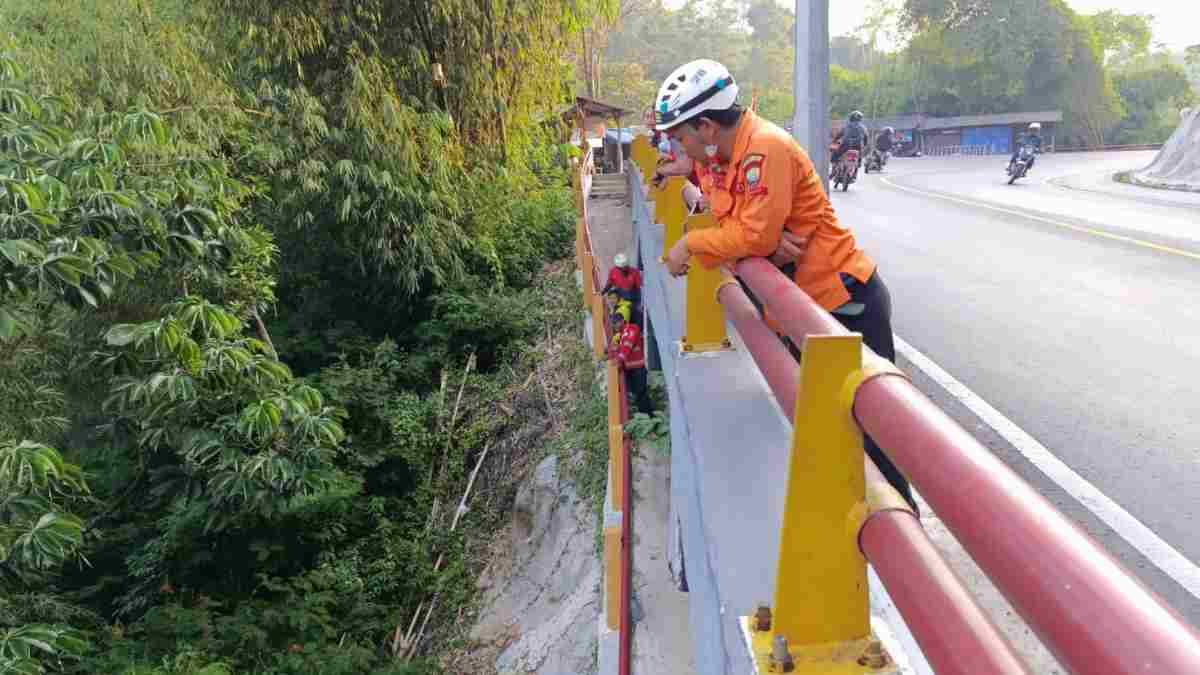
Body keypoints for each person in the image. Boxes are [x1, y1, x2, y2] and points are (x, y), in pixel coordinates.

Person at [656, 58, 916, 510]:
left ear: (706, 127)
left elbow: (750, 234)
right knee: (828, 427)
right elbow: (743, 228)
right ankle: (848, 522)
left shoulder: (764, 149)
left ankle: (903, 549)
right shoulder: (723, 157)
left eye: (681, 138)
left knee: (878, 439)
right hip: (800, 308)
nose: (681, 150)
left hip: (843, 301)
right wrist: (756, 246)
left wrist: (694, 244)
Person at [610, 312, 653, 414]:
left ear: (621, 321)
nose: (614, 325)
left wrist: (618, 359)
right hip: (630, 369)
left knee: (641, 395)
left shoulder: (631, 329)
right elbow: (622, 348)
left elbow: (627, 346)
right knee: (637, 395)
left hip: (638, 368)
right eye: (613, 323)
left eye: (615, 323)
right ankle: (646, 418)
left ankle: (649, 417)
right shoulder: (622, 334)